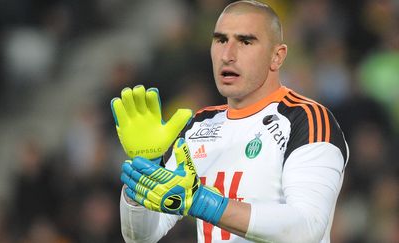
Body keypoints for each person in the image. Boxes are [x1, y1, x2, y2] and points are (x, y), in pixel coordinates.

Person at [112, 1, 349, 242]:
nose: (228, 55)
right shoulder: (198, 127)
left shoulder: (306, 120)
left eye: (245, 41)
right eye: (221, 40)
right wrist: (141, 182)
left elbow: (307, 229)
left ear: (276, 57)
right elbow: (141, 237)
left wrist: (204, 203)